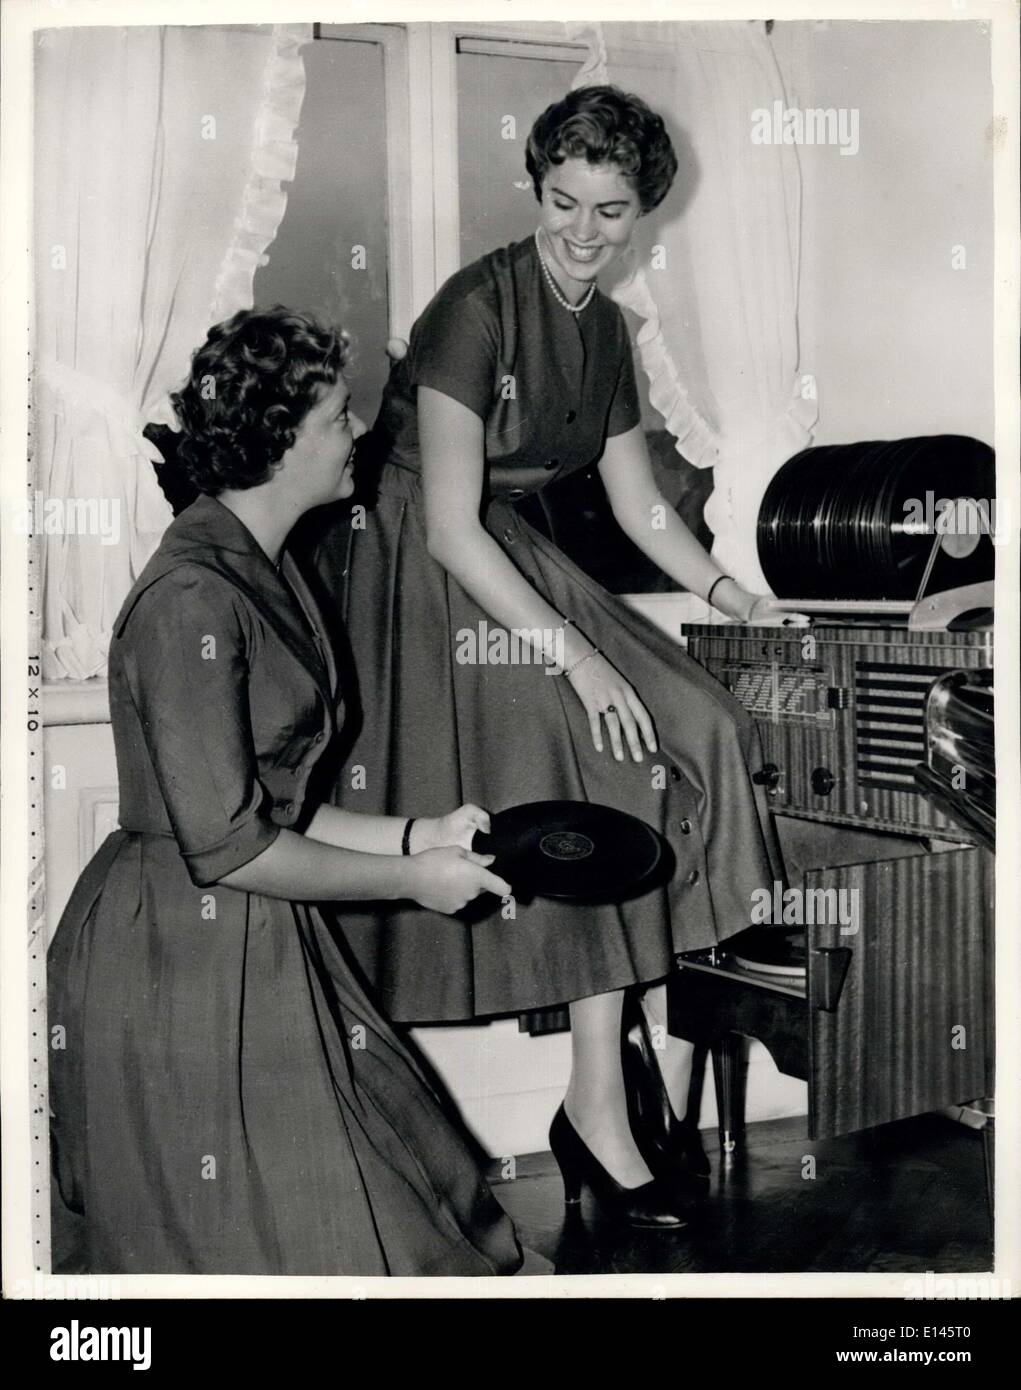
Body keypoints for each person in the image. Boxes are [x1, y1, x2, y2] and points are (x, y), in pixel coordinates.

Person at [306, 85, 785, 1227]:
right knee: (593, 767)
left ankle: (606, 1085)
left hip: (509, 562)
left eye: (610, 210)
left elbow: (638, 504)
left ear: (643, 215)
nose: (582, 231)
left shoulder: (609, 329)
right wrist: (580, 661)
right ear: (536, 190)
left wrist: (731, 592)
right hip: (423, 563)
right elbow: (450, 524)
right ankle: (596, 1115)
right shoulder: (475, 307)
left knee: (701, 729)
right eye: (562, 201)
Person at [47, 307, 526, 1276]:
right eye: (335, 418)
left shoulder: (259, 563)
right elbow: (228, 843)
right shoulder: (193, 596)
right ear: (277, 443)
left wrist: (413, 833)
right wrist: (412, 880)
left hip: (249, 924)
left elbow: (271, 801)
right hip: (176, 952)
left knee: (369, 1200)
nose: (357, 433)